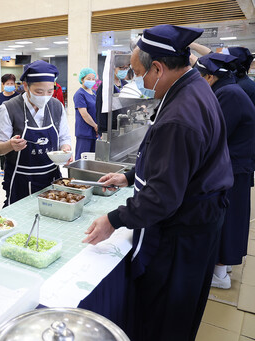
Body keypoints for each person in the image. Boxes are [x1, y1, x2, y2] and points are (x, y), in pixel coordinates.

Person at [83, 25, 233, 341]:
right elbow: (175, 162)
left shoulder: (180, 114)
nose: (140, 82)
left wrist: (113, 219)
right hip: (202, 218)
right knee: (181, 311)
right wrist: (128, 176)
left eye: (140, 74)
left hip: (185, 230)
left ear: (158, 68)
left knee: (167, 318)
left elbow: (163, 197)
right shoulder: (192, 86)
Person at [196, 53, 255, 289]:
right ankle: (224, 265)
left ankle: (220, 272)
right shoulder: (229, 89)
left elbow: (215, 134)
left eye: (199, 77)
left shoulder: (228, 94)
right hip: (235, 164)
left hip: (234, 167)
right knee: (233, 217)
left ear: (210, 77)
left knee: (228, 218)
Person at [0, 60, 72, 206]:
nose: (45, 96)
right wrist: (10, 145)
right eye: (39, 92)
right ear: (26, 86)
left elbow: (64, 137)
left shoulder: (56, 106)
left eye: (50, 91)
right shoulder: (9, 108)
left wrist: (65, 149)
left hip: (51, 177)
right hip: (20, 180)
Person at [95, 55, 129, 135]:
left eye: (126, 68)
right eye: (121, 68)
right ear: (113, 68)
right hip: (111, 129)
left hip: (125, 126)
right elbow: (100, 110)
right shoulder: (105, 87)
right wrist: (103, 132)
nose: (124, 71)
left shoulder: (125, 85)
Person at [74, 67, 98, 158]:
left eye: (93, 79)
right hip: (85, 131)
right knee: (82, 158)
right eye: (88, 79)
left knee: (93, 158)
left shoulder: (94, 93)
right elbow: (84, 114)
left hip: (94, 131)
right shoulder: (79, 94)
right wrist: (95, 126)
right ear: (82, 79)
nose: (91, 81)